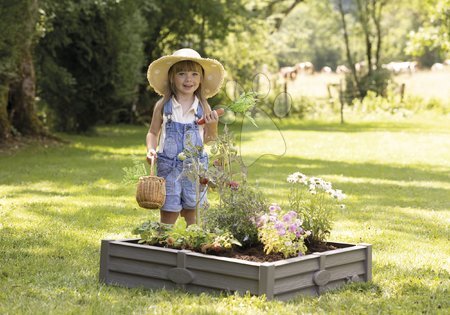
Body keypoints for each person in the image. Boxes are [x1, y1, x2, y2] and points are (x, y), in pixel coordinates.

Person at [145, 48, 225, 225]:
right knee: (168, 212)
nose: (189, 79)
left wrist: (213, 124)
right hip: (168, 168)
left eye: (194, 74)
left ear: (201, 79)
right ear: (172, 78)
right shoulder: (163, 105)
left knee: (194, 212)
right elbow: (153, 132)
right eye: (182, 74)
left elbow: (209, 140)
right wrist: (151, 150)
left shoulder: (203, 108)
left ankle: (192, 247)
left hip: (195, 169)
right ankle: (165, 244)